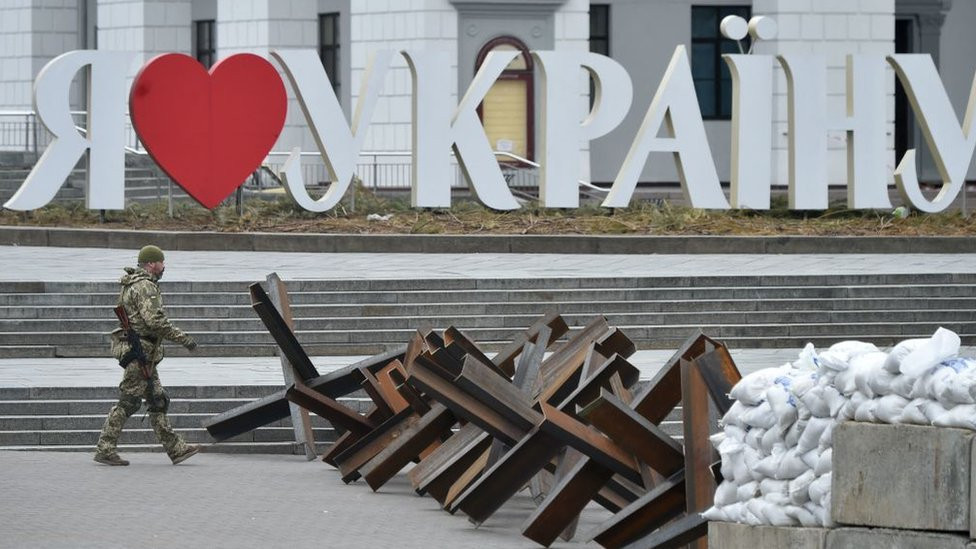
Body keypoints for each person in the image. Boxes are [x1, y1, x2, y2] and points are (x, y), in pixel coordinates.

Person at [93, 245, 200, 466]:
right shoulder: (145, 286)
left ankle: (176, 449)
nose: (164, 266)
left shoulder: (131, 283)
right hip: (140, 352)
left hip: (143, 352)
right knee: (129, 402)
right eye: (161, 261)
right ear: (151, 263)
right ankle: (105, 448)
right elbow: (155, 321)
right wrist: (184, 339)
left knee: (157, 400)